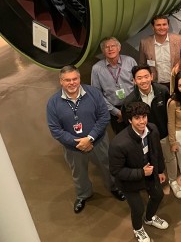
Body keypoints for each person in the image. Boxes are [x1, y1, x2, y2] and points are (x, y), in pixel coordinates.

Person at [46, 65, 125, 214]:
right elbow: (55, 130)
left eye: (75, 79)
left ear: (79, 78)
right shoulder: (53, 103)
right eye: (67, 80)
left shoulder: (93, 93)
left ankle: (114, 187)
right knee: (79, 173)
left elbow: (104, 117)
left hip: (99, 141)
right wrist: (78, 142)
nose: (72, 83)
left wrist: (90, 138)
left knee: (108, 165)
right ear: (61, 81)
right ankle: (83, 195)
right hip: (73, 148)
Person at [108, 102, 169, 242]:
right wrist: (141, 173)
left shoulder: (152, 129)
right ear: (129, 120)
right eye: (137, 118)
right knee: (138, 209)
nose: (142, 121)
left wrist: (160, 170)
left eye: (144, 116)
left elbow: (157, 152)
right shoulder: (118, 143)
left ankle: (149, 218)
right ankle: (138, 229)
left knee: (158, 195)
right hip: (129, 182)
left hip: (150, 173)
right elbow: (116, 171)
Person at [122, 66, 179, 198]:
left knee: (170, 158)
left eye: (146, 76)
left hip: (163, 134)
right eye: (139, 78)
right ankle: (153, 184)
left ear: (152, 76)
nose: (143, 81)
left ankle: (173, 180)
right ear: (134, 81)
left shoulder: (162, 91)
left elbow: (170, 114)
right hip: (144, 138)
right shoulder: (130, 101)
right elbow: (128, 122)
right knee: (149, 161)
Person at [91, 36, 137, 134]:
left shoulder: (130, 61)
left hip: (134, 107)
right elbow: (97, 94)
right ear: (103, 51)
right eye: (107, 47)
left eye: (113, 46)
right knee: (123, 141)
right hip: (115, 111)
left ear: (119, 48)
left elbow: (138, 84)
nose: (110, 49)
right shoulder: (97, 69)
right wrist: (116, 112)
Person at [138, 15, 181, 88]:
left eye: (164, 24)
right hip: (156, 85)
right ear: (153, 27)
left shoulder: (179, 40)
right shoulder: (145, 43)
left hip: (177, 82)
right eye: (158, 25)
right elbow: (142, 65)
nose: (162, 28)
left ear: (168, 26)